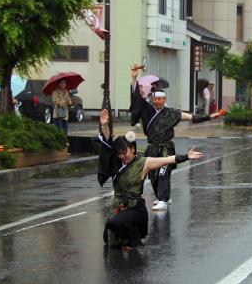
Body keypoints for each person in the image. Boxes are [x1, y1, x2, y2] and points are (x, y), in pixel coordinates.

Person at [97, 109, 204, 250]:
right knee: (109, 240)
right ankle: (127, 236)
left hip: (136, 209)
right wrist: (104, 125)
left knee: (113, 222)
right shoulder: (116, 163)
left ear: (133, 149)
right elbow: (108, 144)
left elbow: (167, 159)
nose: (122, 156)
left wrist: (186, 156)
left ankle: (134, 237)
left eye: (125, 152)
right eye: (120, 154)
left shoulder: (143, 162)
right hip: (118, 205)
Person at [130, 64, 226, 210]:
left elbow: (192, 117)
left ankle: (163, 199)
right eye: (155, 99)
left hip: (166, 147)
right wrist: (134, 77)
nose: (157, 101)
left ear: (164, 99)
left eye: (160, 99)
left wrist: (212, 116)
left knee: (163, 172)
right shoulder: (147, 110)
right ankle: (162, 197)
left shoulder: (172, 113)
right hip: (152, 148)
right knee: (153, 175)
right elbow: (137, 97)